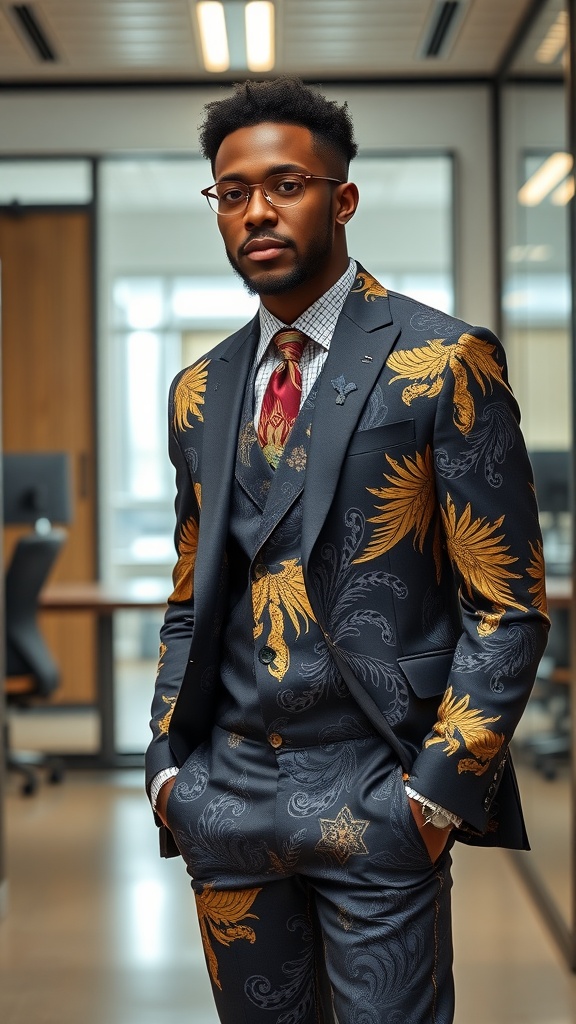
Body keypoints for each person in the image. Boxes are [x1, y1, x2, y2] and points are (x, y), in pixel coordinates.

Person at [145, 77, 549, 1024]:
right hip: (226, 795)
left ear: (343, 198)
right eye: (232, 192)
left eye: (284, 185)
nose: (256, 212)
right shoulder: (198, 391)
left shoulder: (443, 361)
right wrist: (170, 768)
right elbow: (188, 593)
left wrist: (438, 793)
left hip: (378, 787)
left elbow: (508, 601)